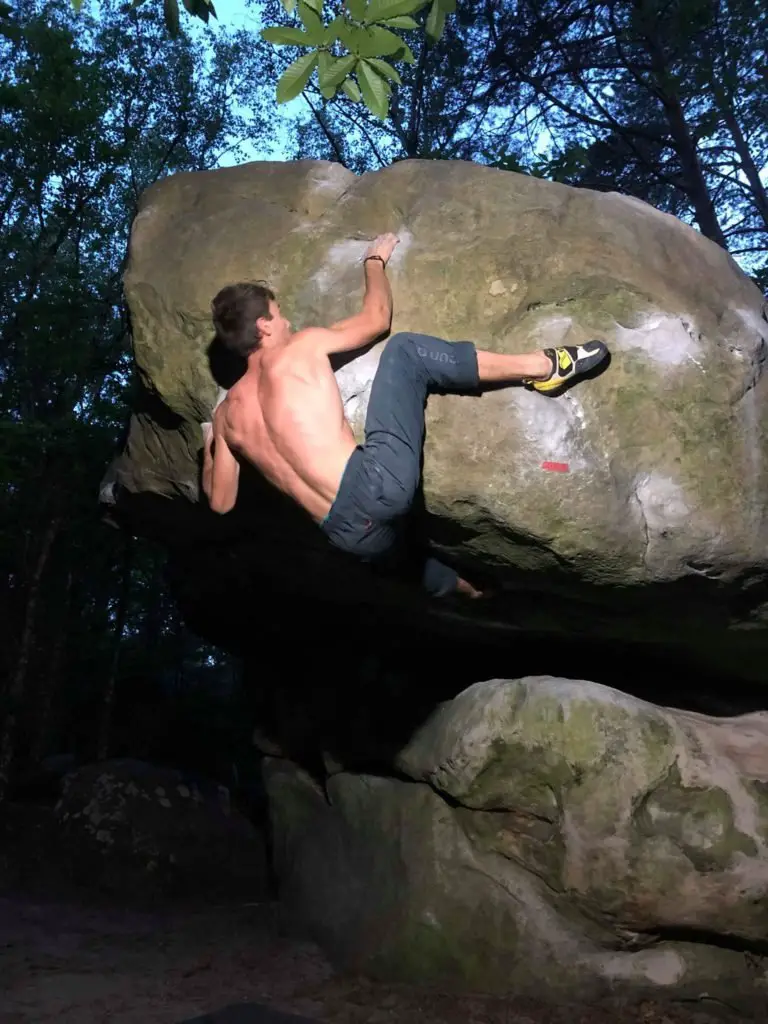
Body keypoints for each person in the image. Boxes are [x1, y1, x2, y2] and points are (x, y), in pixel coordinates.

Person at [202, 233, 608, 599]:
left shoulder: (227, 419)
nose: (287, 319)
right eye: (279, 312)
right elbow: (377, 320)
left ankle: (470, 592)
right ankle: (546, 367)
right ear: (263, 326)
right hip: (378, 485)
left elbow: (220, 503)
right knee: (406, 352)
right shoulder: (300, 348)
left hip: (344, 535)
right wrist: (374, 263)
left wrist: (209, 445)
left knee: (401, 561)